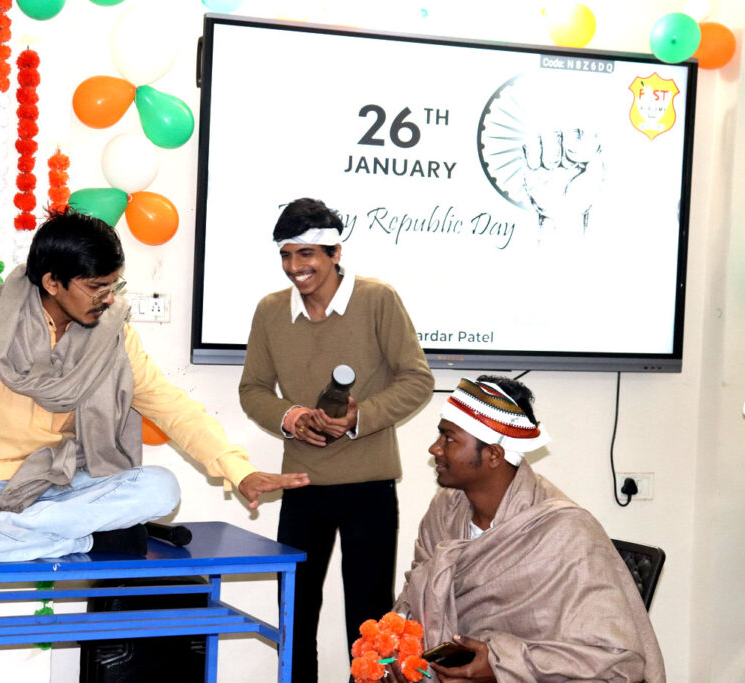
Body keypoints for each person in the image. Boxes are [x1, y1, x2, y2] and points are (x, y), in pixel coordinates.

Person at [0, 211, 310, 562]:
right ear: (52, 282)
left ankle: (16, 537)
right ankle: (86, 541)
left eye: (113, 285)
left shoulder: (113, 334)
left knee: (162, 488)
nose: (108, 299)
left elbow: (171, 406)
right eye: (95, 288)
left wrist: (238, 470)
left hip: (60, 484)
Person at [238, 198, 434, 681]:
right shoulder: (270, 311)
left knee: (370, 626)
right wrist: (291, 417)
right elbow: (253, 390)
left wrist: (359, 417)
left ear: (335, 253)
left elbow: (417, 379)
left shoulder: (377, 299)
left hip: (369, 486)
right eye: (286, 255)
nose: (294, 267)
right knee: (295, 617)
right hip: (302, 486)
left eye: (306, 254)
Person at [392, 376, 665, 682]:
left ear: (493, 455)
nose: (435, 448)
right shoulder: (445, 510)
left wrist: (501, 667)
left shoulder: (567, 531)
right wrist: (396, 651)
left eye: (449, 439)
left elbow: (614, 660)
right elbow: (415, 599)